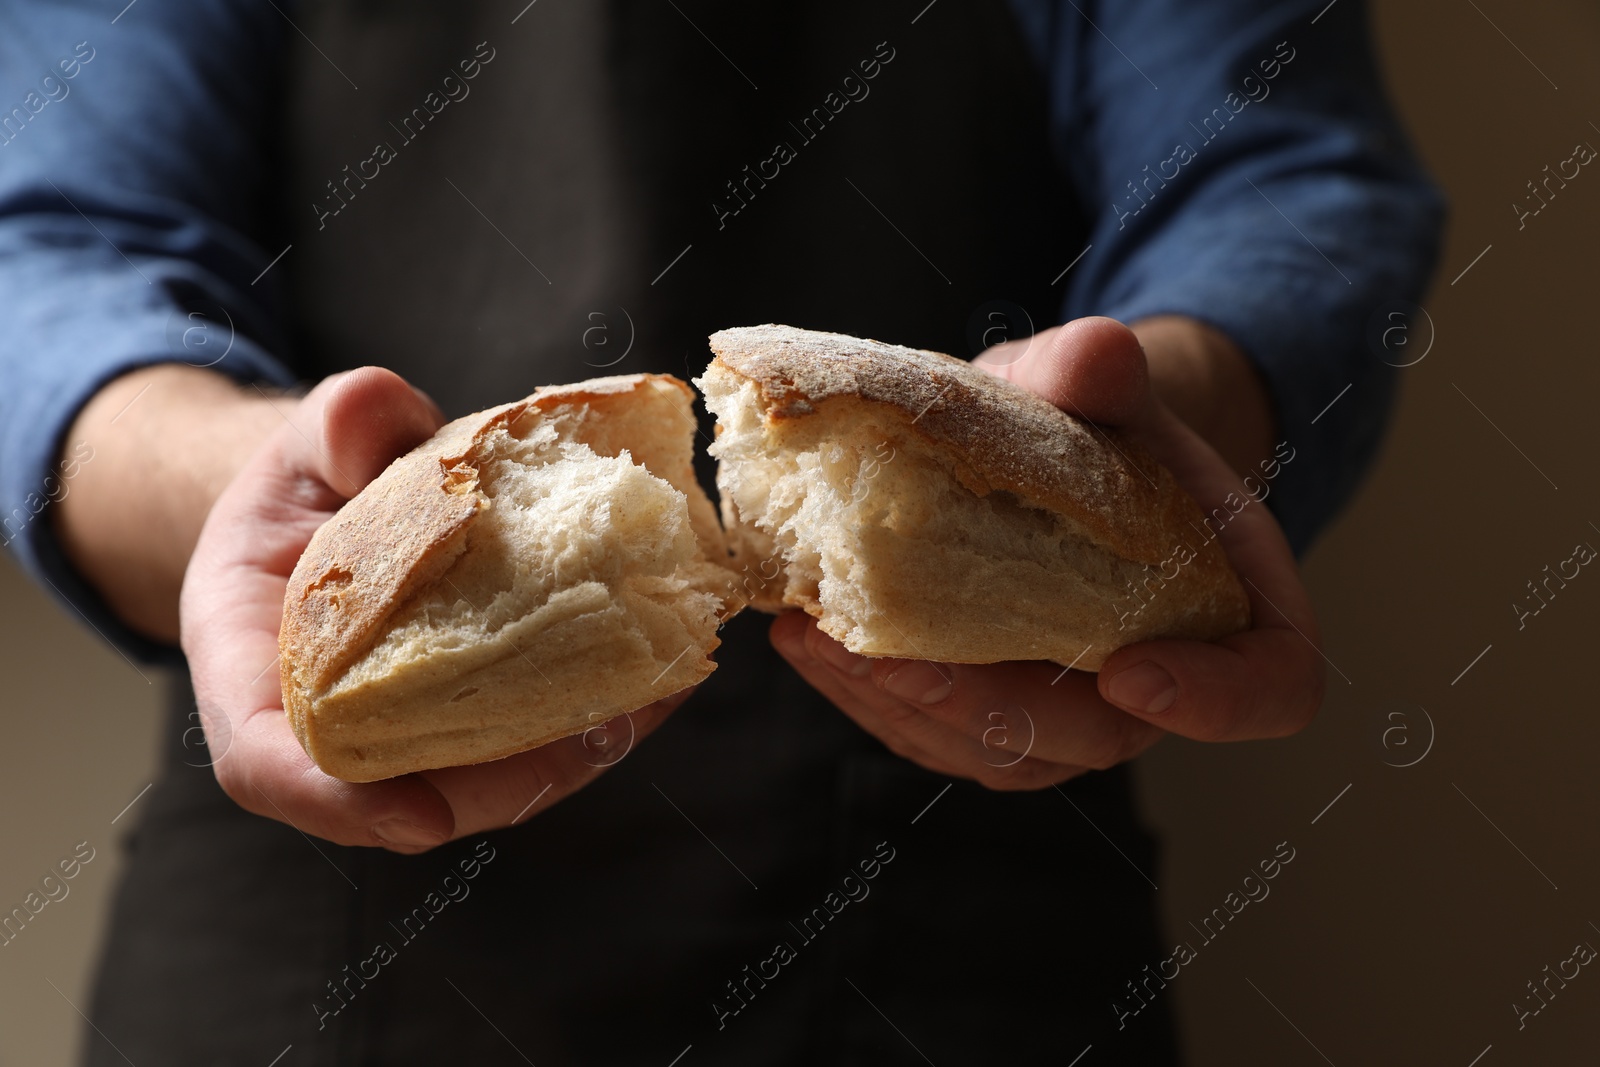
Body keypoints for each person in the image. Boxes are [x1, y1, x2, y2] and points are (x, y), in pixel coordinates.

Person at [0, 0, 1442, 1062]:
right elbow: (48, 257)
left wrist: (1158, 420)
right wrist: (268, 481)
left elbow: (1278, 177)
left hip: (962, 916)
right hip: (322, 950)